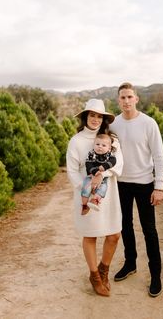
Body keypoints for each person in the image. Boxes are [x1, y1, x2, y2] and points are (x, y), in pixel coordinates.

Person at [111, 82, 163, 297]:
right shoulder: (114, 124)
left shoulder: (148, 123)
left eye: (129, 97)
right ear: (118, 100)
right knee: (125, 225)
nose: (126, 101)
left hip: (144, 183)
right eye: (122, 97)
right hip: (121, 184)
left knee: (149, 230)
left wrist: (158, 186)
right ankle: (130, 263)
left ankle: (156, 275)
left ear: (136, 99)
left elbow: (159, 156)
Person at [66, 98, 123, 297]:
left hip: (109, 194)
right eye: (92, 115)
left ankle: (103, 269)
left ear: (104, 119)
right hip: (87, 193)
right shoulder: (77, 141)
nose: (96, 119)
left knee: (114, 234)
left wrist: (101, 174)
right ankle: (95, 276)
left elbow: (118, 165)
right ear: (85, 117)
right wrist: (85, 186)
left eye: (100, 116)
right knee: (90, 235)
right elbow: (72, 170)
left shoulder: (111, 139)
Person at [81, 133, 117, 214]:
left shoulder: (109, 154)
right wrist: (94, 171)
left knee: (103, 188)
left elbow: (113, 161)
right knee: (85, 189)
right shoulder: (91, 154)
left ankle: (95, 200)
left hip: (103, 178)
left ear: (109, 148)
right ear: (94, 145)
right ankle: (84, 205)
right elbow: (88, 164)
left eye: (103, 145)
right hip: (91, 175)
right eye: (97, 144)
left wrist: (104, 167)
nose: (100, 146)